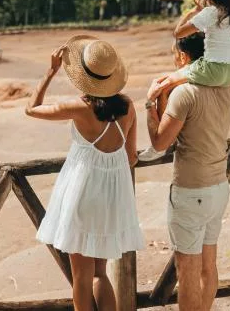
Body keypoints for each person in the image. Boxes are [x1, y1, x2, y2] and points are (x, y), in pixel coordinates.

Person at [27, 36, 143, 311]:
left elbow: (31, 109)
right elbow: (131, 156)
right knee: (100, 273)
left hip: (82, 193)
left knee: (80, 276)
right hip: (112, 197)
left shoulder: (81, 109)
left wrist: (50, 71)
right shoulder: (127, 106)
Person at [145, 32, 230, 311]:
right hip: (219, 186)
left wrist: (150, 103)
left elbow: (160, 143)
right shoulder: (227, 90)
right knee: (209, 266)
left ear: (184, 57)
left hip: (190, 190)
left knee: (187, 273)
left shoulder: (185, 94)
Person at [139, 0, 230, 162]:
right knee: (172, 81)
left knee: (163, 84)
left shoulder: (210, 12)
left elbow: (178, 33)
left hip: (210, 69)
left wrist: (192, 13)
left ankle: (160, 145)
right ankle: (165, 139)